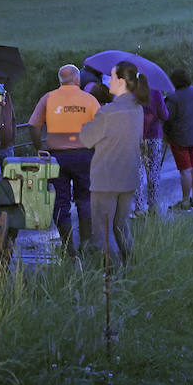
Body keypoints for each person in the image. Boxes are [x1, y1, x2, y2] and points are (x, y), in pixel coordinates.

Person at [27, 64, 101, 256]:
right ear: (77, 79)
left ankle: (68, 248)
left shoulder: (49, 98)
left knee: (60, 202)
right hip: (84, 155)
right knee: (85, 199)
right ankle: (86, 243)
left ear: (60, 80)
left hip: (56, 157)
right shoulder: (90, 99)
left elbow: (33, 125)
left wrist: (39, 146)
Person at [79, 61, 147, 267]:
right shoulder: (138, 110)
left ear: (120, 81)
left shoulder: (107, 112)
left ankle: (112, 280)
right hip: (128, 177)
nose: (107, 79)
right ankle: (131, 268)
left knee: (103, 230)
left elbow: (86, 139)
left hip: (106, 179)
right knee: (121, 226)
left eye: (111, 76)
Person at [163, 68, 193, 209]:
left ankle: (185, 201)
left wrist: (165, 134)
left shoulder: (173, 97)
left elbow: (167, 118)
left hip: (180, 137)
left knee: (185, 170)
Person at [134, 84, 169, 217]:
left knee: (138, 172)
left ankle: (139, 208)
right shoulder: (155, 91)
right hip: (154, 135)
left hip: (136, 136)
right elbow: (164, 115)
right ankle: (153, 206)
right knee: (154, 170)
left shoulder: (130, 92)